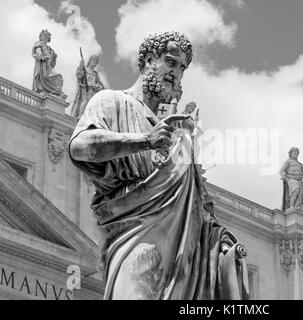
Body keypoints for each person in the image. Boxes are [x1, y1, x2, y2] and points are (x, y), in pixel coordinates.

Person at [68, 31, 249, 300]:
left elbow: (199, 207)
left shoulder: (178, 135)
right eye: (170, 62)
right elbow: (79, 146)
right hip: (134, 240)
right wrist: (144, 141)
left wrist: (220, 244)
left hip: (183, 259)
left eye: (182, 68)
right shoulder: (112, 101)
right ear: (147, 61)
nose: (176, 73)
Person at [31, 30, 65, 98]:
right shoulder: (38, 43)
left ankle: (55, 92)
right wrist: (41, 56)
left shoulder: (49, 48)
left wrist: (54, 56)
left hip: (49, 66)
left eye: (47, 36)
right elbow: (37, 51)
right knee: (44, 77)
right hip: (42, 65)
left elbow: (52, 59)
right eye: (44, 36)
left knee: (58, 77)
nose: (46, 37)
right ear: (41, 37)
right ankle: (42, 90)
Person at [70, 55, 105, 120]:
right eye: (94, 59)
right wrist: (81, 65)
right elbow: (79, 75)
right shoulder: (85, 69)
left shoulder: (95, 74)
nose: (95, 62)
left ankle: (89, 118)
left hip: (93, 90)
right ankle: (80, 116)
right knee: (85, 100)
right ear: (90, 60)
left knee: (93, 104)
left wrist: (98, 87)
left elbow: (99, 84)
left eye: (96, 61)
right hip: (85, 88)